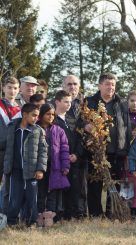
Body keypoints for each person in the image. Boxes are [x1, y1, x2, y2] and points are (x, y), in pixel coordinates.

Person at [83, 73, 131, 217]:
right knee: (94, 185)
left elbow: (127, 127)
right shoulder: (90, 101)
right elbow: (81, 121)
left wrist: (126, 150)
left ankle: (112, 213)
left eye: (113, 85)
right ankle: (95, 214)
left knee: (114, 184)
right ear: (99, 85)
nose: (111, 87)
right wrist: (86, 126)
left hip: (116, 152)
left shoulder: (121, 103)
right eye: (107, 84)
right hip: (95, 152)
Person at [4, 103, 47, 226]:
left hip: (32, 171)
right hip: (15, 171)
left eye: (37, 116)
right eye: (34, 115)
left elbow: (43, 151)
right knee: (14, 198)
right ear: (24, 114)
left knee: (31, 198)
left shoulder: (38, 131)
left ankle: (31, 223)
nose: (36, 118)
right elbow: (6, 148)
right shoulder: (12, 127)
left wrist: (40, 169)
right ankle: (11, 223)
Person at [36, 104, 70, 227]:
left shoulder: (58, 130)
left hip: (54, 167)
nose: (50, 117)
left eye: (52, 114)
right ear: (41, 115)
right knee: (40, 193)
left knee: (53, 194)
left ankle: (50, 220)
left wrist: (65, 166)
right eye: (47, 114)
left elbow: (64, 149)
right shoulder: (35, 128)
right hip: (39, 168)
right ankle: (39, 218)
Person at [54, 90, 82, 220]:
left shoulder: (72, 119)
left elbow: (78, 138)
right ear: (57, 102)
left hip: (73, 160)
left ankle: (72, 214)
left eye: (70, 102)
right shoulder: (52, 119)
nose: (69, 104)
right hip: (59, 161)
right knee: (60, 190)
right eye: (65, 102)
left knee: (74, 188)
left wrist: (76, 154)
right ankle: (59, 215)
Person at [62, 75, 87, 218]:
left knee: (81, 184)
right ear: (63, 86)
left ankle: (81, 212)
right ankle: (66, 212)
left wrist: (79, 152)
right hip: (64, 149)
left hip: (82, 149)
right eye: (69, 84)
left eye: (75, 84)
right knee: (65, 184)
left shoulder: (86, 103)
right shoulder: (57, 102)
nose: (72, 87)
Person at [0, 77, 21, 214]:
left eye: (15, 88)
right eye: (9, 87)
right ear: (3, 88)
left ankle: (4, 214)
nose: (12, 91)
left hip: (12, 153)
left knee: (7, 186)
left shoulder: (21, 110)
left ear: (18, 89)